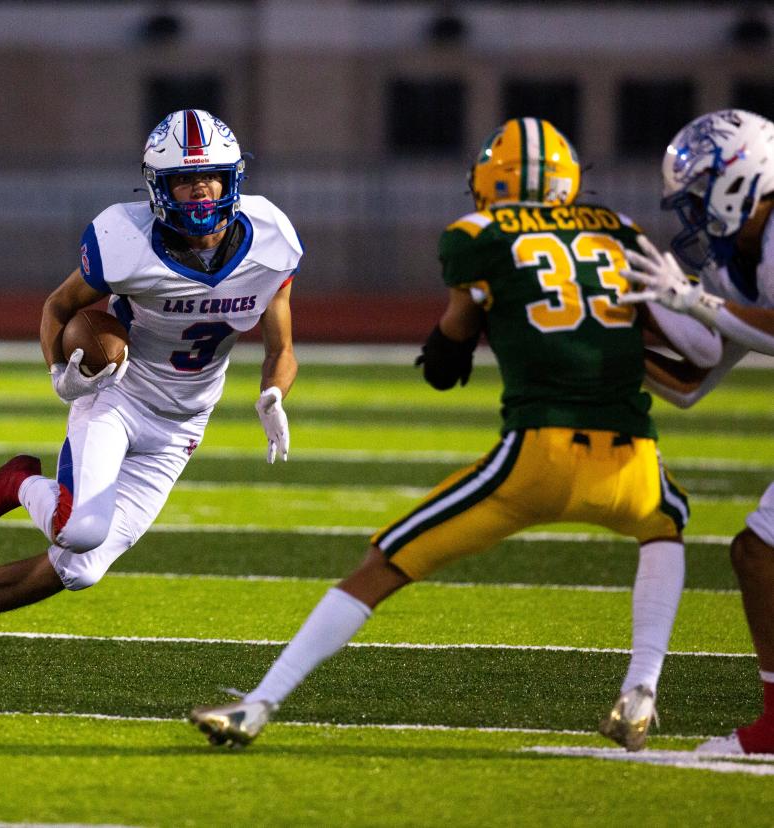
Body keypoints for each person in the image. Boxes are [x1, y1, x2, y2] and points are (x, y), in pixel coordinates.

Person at [191, 118, 703, 751]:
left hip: (537, 457)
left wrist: (455, 338)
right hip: (632, 457)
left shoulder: (480, 235)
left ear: (491, 181)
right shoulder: (620, 232)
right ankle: (643, 686)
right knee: (667, 524)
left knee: (384, 563)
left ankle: (260, 704)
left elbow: (451, 345)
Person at [0, 108, 300, 674]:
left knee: (79, 568)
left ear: (234, 180)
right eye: (184, 181)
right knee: (79, 529)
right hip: (118, 395)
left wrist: (273, 393)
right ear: (158, 187)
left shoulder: (271, 241)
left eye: (211, 179)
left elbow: (281, 347)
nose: (200, 195)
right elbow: (59, 306)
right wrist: (61, 372)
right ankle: (19, 483)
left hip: (183, 424)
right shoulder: (125, 239)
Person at [619, 109, 774, 755]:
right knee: (757, 554)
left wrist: (695, 302)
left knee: (760, 554)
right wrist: (601, 344)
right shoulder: (741, 260)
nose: (695, 216)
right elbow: (692, 380)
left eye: (699, 197)